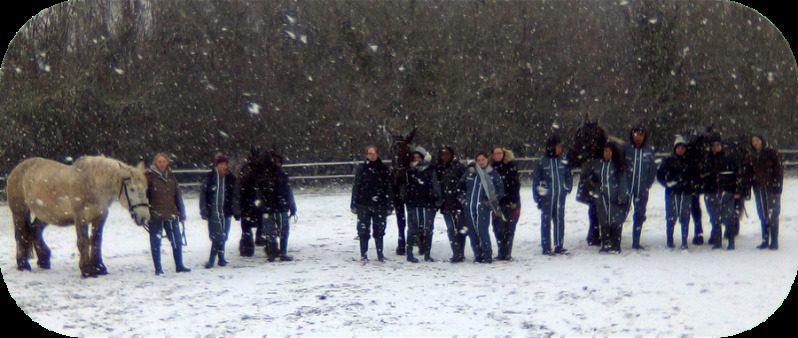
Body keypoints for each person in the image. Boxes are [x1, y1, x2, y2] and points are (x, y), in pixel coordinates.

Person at [145, 153, 191, 275]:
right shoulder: (149, 177)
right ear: (155, 162)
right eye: (159, 161)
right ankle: (158, 268)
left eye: (164, 161)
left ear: (167, 162)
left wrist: (181, 212)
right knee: (156, 242)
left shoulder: (171, 176)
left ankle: (179, 265)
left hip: (171, 213)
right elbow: (144, 197)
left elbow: (177, 195)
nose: (162, 164)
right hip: (155, 214)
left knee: (177, 240)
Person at [459, 152, 505, 263]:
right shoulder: (470, 173)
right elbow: (460, 187)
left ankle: (487, 254)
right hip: (469, 207)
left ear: (487, 160)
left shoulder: (492, 174)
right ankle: (478, 255)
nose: (481, 162)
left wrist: (490, 202)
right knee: (472, 232)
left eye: (483, 159)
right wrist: (463, 199)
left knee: (482, 231)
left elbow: (500, 191)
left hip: (483, 208)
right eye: (478, 160)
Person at [701, 135, 743, 250]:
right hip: (711, 192)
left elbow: (737, 175)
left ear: (721, 146)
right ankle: (717, 240)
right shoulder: (706, 160)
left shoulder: (729, 159)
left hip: (727, 192)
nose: (715, 148)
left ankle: (731, 240)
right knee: (714, 217)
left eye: (717, 145)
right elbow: (701, 176)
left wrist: (738, 190)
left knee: (728, 217)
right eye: (713, 146)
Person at [351, 146, 393, 261]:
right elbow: (356, 186)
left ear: (378, 154)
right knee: (363, 230)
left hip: (380, 203)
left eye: (373, 153)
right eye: (369, 154)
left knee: (379, 230)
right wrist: (353, 203)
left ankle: (380, 254)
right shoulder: (361, 169)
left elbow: (389, 188)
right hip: (363, 203)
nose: (371, 156)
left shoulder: (384, 169)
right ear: (366, 155)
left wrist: (389, 204)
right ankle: (363, 254)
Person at [533, 136, 573, 255]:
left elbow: (568, 176)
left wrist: (567, 188)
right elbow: (536, 181)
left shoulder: (562, 160)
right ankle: (546, 247)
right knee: (546, 221)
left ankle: (559, 245)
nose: (560, 148)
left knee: (559, 220)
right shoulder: (541, 162)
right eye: (558, 146)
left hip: (560, 197)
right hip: (547, 198)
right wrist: (538, 196)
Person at [200, 153, 240, 268]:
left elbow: (235, 195)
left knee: (224, 236)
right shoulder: (210, 178)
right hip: (214, 212)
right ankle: (212, 259)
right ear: (216, 165)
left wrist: (236, 210)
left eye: (225, 164)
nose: (224, 166)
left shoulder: (230, 178)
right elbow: (203, 195)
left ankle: (220, 258)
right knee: (217, 236)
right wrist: (204, 209)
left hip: (226, 211)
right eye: (221, 164)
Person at [622, 126, 657, 250]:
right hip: (626, 188)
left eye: (641, 135)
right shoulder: (625, 149)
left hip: (642, 189)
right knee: (621, 213)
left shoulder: (648, 151)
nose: (638, 138)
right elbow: (620, 167)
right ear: (632, 135)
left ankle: (636, 241)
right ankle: (616, 239)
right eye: (636, 135)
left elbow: (652, 169)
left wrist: (647, 184)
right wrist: (623, 184)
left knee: (639, 215)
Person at [591, 142, 630, 254]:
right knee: (604, 221)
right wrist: (597, 194)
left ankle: (615, 245)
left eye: (608, 151)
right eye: (605, 151)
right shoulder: (599, 165)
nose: (606, 153)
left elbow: (623, 182)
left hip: (615, 199)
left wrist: (622, 197)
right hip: (602, 200)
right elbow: (595, 180)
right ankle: (605, 243)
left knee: (616, 222)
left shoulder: (618, 166)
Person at [404, 148, 441, 263]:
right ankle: (409, 253)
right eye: (414, 158)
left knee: (428, 229)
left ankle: (427, 253)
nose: (416, 160)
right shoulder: (409, 171)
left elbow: (435, 185)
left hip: (427, 204)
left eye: (418, 157)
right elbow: (404, 187)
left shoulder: (430, 170)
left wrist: (437, 198)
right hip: (413, 204)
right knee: (412, 229)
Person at [657, 135, 694, 249]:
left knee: (685, 217)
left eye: (683, 147)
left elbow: (694, 176)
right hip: (672, 192)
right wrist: (666, 184)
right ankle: (670, 240)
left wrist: (691, 186)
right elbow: (660, 175)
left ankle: (684, 240)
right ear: (675, 148)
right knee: (671, 217)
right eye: (678, 147)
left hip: (686, 192)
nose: (681, 150)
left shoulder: (689, 161)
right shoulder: (668, 160)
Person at [260, 153, 297, 262]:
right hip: (280, 208)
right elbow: (288, 193)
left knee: (271, 232)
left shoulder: (264, 177)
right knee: (283, 231)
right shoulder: (282, 176)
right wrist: (292, 206)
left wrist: (262, 206)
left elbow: (259, 194)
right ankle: (282, 252)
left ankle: (272, 253)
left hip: (270, 208)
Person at [749, 134, 783, 250]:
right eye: (753, 141)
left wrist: (777, 186)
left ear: (762, 141)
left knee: (772, 213)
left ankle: (774, 241)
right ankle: (765, 239)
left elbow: (778, 170)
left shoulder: (771, 153)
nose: (755, 143)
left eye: (757, 140)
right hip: (758, 188)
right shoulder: (752, 155)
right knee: (762, 214)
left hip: (770, 188)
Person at [435, 147, 468, 263]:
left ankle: (460, 252)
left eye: (447, 154)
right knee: (450, 229)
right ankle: (456, 252)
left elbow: (465, 183)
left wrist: (461, 196)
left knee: (459, 228)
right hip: (446, 204)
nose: (444, 157)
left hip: (457, 203)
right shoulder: (439, 168)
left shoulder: (458, 167)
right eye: (442, 155)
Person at [491, 147, 521, 260]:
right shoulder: (491, 168)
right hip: (497, 202)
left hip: (511, 201)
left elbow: (516, 184)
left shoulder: (511, 166)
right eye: (496, 153)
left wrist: (513, 200)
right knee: (497, 228)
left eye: (500, 153)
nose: (498, 155)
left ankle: (507, 252)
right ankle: (501, 251)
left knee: (510, 228)